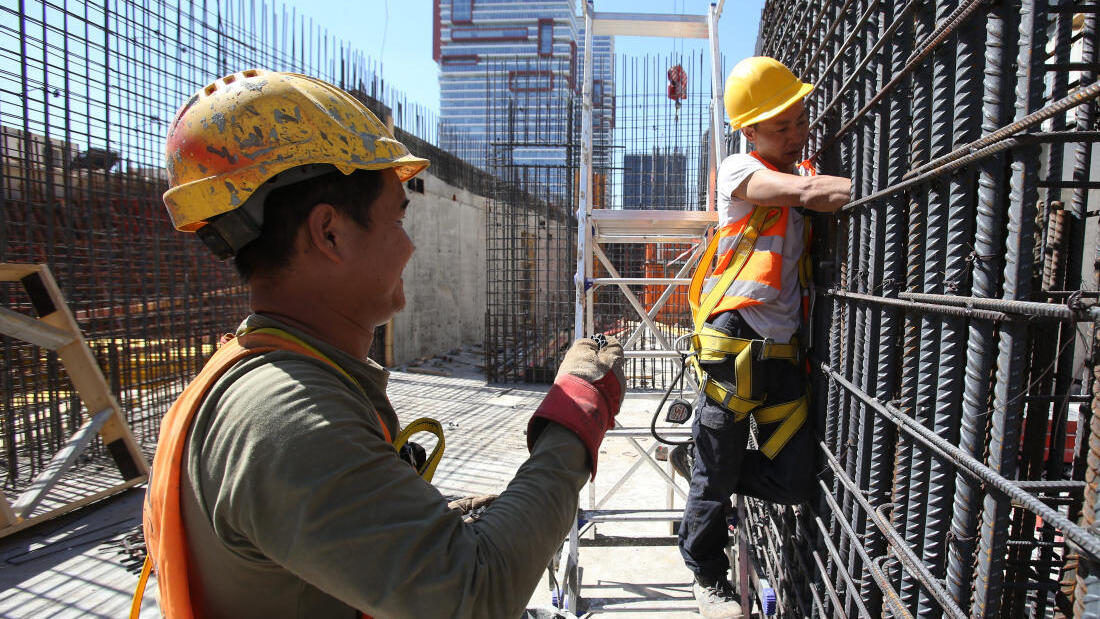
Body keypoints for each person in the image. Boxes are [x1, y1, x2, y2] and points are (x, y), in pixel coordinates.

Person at [137, 69, 625, 619]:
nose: (410, 246)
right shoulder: (288, 418)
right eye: (396, 218)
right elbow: (475, 596)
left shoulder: (273, 376)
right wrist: (574, 416)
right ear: (329, 233)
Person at [674, 57, 851, 619]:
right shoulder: (738, 170)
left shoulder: (797, 173)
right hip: (733, 350)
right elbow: (799, 193)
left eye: (800, 120)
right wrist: (845, 186)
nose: (796, 133)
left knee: (794, 479)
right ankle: (706, 576)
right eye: (782, 126)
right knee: (716, 475)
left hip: (780, 356)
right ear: (748, 131)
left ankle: (700, 464)